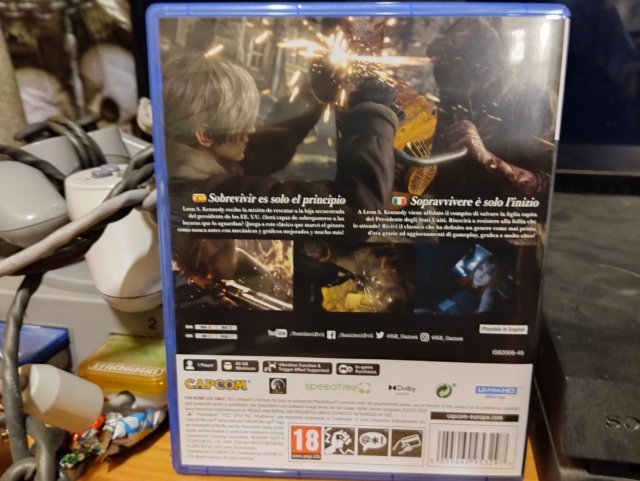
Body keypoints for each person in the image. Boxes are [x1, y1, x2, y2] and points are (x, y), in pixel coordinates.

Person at [162, 51, 398, 292]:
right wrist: (373, 115)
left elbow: (266, 148)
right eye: (240, 123)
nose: (251, 130)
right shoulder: (212, 199)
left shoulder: (176, 169)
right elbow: (358, 210)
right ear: (205, 135)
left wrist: (313, 95)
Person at [425, 19, 557, 203]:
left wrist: (487, 159)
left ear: (484, 67)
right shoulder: (455, 98)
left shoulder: (532, 102)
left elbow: (546, 190)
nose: (444, 81)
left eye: (453, 66)